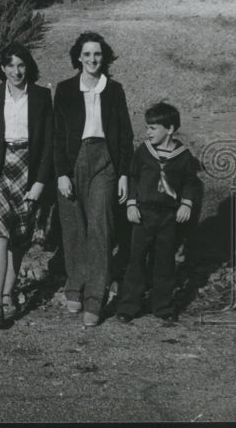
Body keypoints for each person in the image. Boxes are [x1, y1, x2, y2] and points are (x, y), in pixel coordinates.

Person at [53, 31, 133, 328]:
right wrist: (61, 173)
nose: (92, 60)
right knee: (74, 228)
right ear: (78, 57)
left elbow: (125, 134)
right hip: (73, 162)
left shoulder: (114, 90)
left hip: (104, 162)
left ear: (104, 57)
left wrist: (123, 173)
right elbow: (57, 136)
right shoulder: (64, 89)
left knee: (100, 227)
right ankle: (75, 287)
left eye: (97, 54)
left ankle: (94, 300)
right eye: (86, 54)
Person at [0, 41, 54, 328]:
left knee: (19, 237)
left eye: (21, 65)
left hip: (28, 170)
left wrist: (41, 182)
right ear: (2, 68)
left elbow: (48, 143)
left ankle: (7, 293)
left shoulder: (42, 96)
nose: (16, 71)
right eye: (10, 65)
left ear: (27, 66)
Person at [116, 102, 201, 324]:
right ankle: (128, 305)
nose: (148, 132)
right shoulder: (144, 151)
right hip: (143, 213)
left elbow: (191, 182)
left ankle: (162, 305)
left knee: (164, 261)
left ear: (170, 129)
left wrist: (187, 203)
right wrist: (132, 204)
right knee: (136, 260)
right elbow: (133, 176)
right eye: (147, 128)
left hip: (168, 216)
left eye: (153, 128)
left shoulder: (183, 156)